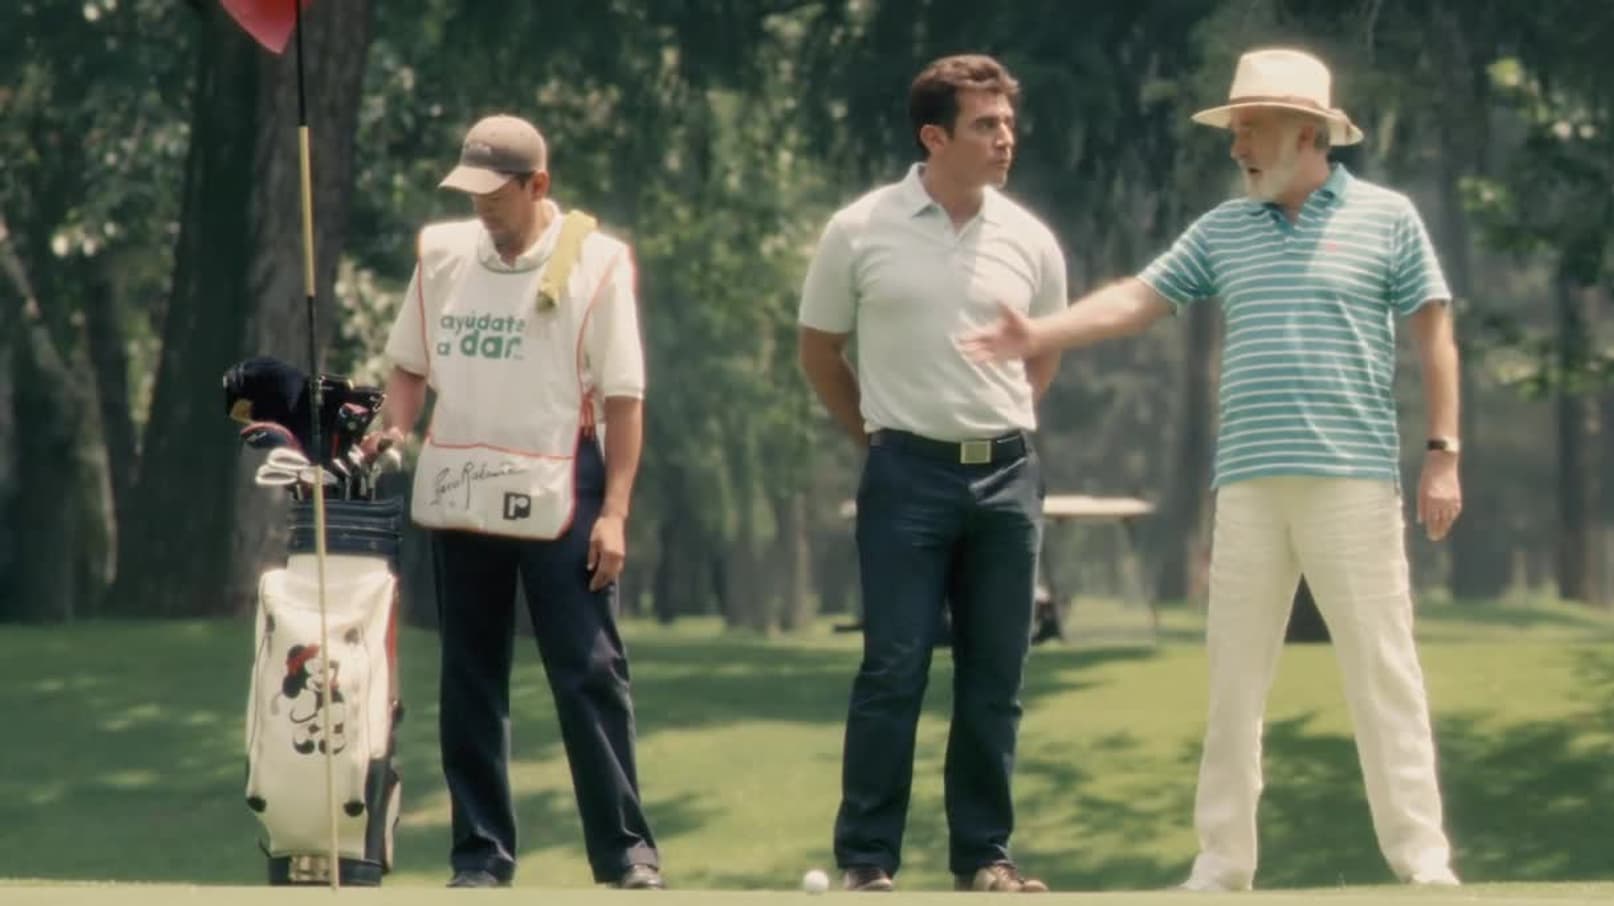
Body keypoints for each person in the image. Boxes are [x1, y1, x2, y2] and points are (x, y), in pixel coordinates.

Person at [961, 48, 1463, 891]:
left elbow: (1433, 333)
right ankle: (1223, 862)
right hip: (1250, 487)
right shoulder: (1226, 228)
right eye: (1235, 130)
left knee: (1384, 671)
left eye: (1252, 129)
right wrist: (1044, 333)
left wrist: (1443, 454)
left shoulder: (1388, 218)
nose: (1238, 146)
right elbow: (1138, 298)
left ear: (1308, 133)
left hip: (1352, 481)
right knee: (1234, 680)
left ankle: (1423, 861)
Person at [365, 113, 662, 890]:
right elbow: (409, 366)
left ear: (538, 186)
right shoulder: (443, 255)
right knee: (470, 677)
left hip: (565, 487)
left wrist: (616, 512)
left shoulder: (597, 263)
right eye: (473, 194)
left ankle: (626, 854)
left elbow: (624, 398)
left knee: (589, 671)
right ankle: (480, 857)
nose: (483, 209)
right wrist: (393, 430)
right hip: (463, 488)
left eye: (496, 195)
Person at [797, 53, 1067, 894]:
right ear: (934, 136)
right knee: (894, 669)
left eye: (1008, 123)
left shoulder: (1030, 238)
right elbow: (820, 350)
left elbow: (1044, 354)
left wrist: (995, 422)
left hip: (1007, 479)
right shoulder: (859, 230)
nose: (1005, 138)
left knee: (996, 677)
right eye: (986, 125)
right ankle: (867, 859)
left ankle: (984, 857)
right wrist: (878, 438)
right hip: (905, 474)